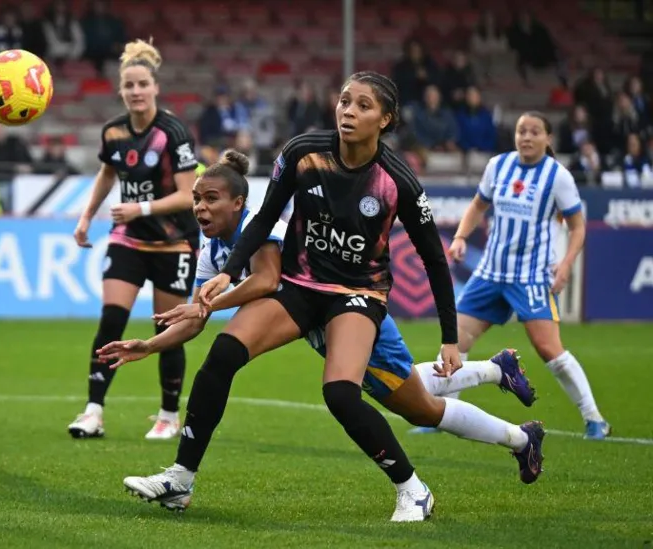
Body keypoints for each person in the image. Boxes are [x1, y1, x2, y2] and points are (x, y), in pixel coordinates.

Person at [104, 149, 545, 516]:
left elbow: (265, 278)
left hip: (351, 312)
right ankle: (181, 478)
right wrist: (150, 344)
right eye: (196, 199)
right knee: (223, 356)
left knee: (421, 407)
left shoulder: (264, 225)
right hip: (312, 313)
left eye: (209, 198)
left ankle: (517, 438)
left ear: (238, 202)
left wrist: (207, 301)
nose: (199, 207)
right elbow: (196, 319)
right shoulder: (212, 247)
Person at [116, 71, 465, 522]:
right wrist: (225, 273)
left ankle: (412, 489)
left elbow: (434, 261)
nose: (348, 112)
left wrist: (450, 339)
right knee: (223, 354)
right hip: (300, 286)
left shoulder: (396, 180)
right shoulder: (302, 153)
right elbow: (263, 219)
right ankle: (180, 479)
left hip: (358, 293)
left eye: (363, 106)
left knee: (341, 394)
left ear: (386, 119)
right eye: (344, 101)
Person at [445, 111, 610, 440]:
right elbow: (479, 205)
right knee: (455, 341)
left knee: (550, 349)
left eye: (535, 132)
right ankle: (445, 414)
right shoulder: (498, 166)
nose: (526, 137)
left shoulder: (557, 176)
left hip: (531, 277)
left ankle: (594, 419)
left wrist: (564, 265)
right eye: (522, 131)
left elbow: (577, 227)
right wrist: (461, 236)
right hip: (490, 272)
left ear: (548, 138)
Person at [69, 38, 200, 441]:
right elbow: (108, 174)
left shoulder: (173, 132)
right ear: (121, 90)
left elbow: (185, 193)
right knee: (112, 318)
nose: (136, 92)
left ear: (155, 88)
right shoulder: (113, 133)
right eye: (129, 85)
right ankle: (93, 411)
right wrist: (87, 215)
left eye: (143, 84)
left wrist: (139, 209)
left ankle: (167, 414)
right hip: (128, 239)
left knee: (166, 328)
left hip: (174, 242)